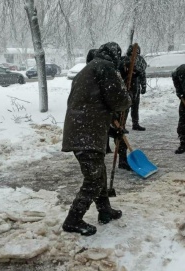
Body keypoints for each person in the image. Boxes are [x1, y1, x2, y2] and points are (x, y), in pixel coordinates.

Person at [61, 42, 132, 236]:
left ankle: (104, 210)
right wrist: (128, 95)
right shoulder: (105, 67)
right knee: (93, 179)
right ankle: (73, 219)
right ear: (115, 56)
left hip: (83, 131)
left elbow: (94, 105)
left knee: (98, 174)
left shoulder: (89, 69)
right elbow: (119, 101)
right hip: (87, 134)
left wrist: (112, 129)